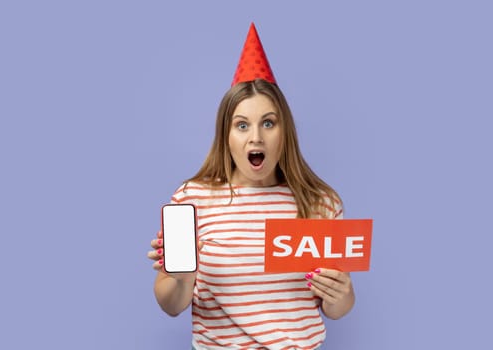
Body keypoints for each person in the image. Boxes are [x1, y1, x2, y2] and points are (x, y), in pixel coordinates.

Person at [147, 23, 355, 350]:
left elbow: (337, 309)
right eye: (242, 125)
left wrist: (341, 295)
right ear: (226, 137)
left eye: (268, 123)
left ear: (284, 132)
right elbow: (171, 306)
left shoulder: (321, 202)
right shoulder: (192, 198)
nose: (255, 137)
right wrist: (183, 279)